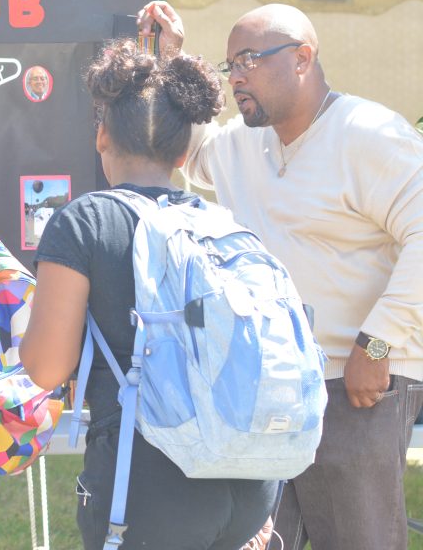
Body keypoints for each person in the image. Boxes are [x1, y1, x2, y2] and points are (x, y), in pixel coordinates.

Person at [139, 0, 423, 550]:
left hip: (357, 386)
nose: (236, 77)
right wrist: (172, 60)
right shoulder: (246, 143)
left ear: (302, 58)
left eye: (248, 60)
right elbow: (191, 149)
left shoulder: (368, 133)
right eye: (230, 66)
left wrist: (380, 345)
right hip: (264, 388)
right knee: (259, 541)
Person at [19, 41, 277, 549]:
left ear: (101, 135)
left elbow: (44, 369)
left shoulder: (85, 222)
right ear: (183, 153)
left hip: (147, 482)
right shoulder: (221, 224)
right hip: (249, 484)